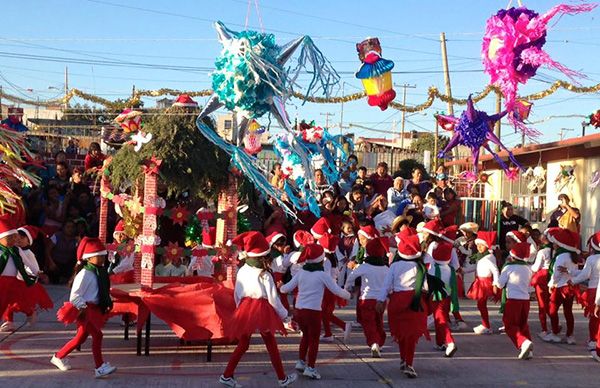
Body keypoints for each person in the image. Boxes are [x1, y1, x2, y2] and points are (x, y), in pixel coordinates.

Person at [219, 232, 297, 388]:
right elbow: (274, 300)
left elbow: (237, 293)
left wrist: (239, 309)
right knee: (270, 343)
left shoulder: (242, 270)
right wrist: (285, 317)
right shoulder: (265, 275)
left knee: (244, 344)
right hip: (262, 310)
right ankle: (282, 379)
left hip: (245, 308)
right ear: (263, 256)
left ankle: (227, 375)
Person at [280, 244, 351, 380]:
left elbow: (286, 288)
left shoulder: (301, 272)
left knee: (305, 337)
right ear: (321, 259)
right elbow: (336, 290)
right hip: (313, 312)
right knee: (314, 340)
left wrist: (280, 286)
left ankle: (301, 361)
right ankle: (311, 367)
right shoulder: (322, 275)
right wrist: (348, 295)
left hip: (299, 311)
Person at [52, 237, 117, 378]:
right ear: (88, 258)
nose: (101, 258)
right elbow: (74, 296)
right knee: (98, 336)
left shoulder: (99, 272)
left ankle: (58, 356)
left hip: (94, 309)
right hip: (86, 310)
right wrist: (83, 308)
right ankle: (99, 367)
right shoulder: (85, 274)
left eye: (102, 255)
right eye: (98, 256)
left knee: (80, 338)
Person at [376, 233, 428, 378]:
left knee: (400, 333)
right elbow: (426, 287)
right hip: (415, 301)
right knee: (411, 335)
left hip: (397, 301)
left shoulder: (395, 266)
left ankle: (402, 359)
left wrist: (381, 300)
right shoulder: (420, 267)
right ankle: (409, 363)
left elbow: (386, 285)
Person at [1, 226, 53, 331]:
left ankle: (29, 313)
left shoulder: (18, 251)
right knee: (6, 304)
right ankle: (9, 321)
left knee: (17, 303)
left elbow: (30, 265)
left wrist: (38, 273)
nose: (16, 240)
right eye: (12, 238)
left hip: (18, 282)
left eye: (16, 238)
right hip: (3, 282)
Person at [345, 237, 389, 358]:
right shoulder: (386, 269)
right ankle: (380, 342)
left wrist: (347, 288)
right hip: (381, 300)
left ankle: (373, 342)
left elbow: (351, 277)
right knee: (378, 321)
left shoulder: (364, 267)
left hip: (366, 299)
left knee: (368, 323)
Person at [496, 242, 534, 360]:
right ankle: (528, 349)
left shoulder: (509, 267)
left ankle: (523, 342)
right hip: (525, 300)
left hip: (513, 300)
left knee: (509, 325)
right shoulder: (528, 268)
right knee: (523, 325)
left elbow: (500, 284)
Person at [544, 228, 580, 344]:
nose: (553, 244)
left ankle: (554, 333)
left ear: (560, 244)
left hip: (560, 287)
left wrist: (551, 284)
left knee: (552, 310)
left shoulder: (561, 256)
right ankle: (570, 335)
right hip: (569, 287)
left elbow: (556, 273)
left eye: (555, 242)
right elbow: (574, 271)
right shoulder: (572, 256)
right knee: (568, 312)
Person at [427, 241, 458, 358]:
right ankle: (440, 343)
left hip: (436, 298)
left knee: (440, 321)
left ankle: (450, 342)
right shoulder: (450, 269)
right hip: (447, 297)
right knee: (440, 319)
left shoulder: (433, 269)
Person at [318, 233, 351, 344]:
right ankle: (328, 334)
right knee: (325, 313)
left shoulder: (326, 261)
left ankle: (343, 325)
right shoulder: (331, 258)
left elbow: (325, 276)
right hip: (331, 288)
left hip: (328, 289)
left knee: (324, 313)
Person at [466, 231, 500, 335]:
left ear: (487, 245)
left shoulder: (489, 257)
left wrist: (495, 283)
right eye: (478, 245)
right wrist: (463, 270)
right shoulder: (481, 256)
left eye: (481, 245)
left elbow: (495, 270)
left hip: (485, 283)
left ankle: (486, 325)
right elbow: (474, 267)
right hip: (479, 281)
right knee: (481, 305)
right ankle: (485, 324)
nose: (479, 247)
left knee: (481, 304)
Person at [570, 230, 600, 351]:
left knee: (594, 317)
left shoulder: (592, 259)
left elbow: (585, 275)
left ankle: (593, 340)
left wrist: (572, 280)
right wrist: (571, 272)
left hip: (594, 290)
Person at [530, 232, 552, 340]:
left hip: (542, 277)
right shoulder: (555, 251)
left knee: (542, 304)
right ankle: (555, 326)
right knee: (550, 304)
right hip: (552, 276)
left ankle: (544, 329)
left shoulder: (542, 251)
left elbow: (535, 267)